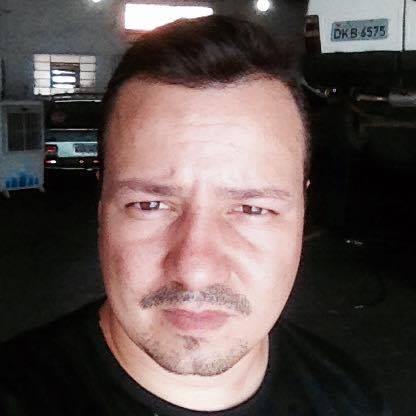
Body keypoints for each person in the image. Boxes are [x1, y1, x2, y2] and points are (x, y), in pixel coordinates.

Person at [0, 15, 389, 415]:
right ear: (102, 204)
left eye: (253, 209)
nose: (195, 270)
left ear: (303, 212)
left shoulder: (353, 401)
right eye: (149, 205)